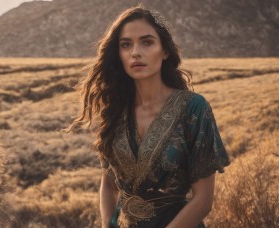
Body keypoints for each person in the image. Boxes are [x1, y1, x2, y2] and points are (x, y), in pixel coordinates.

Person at [69, 5, 230, 228]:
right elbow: (108, 184)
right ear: (119, 54)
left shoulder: (193, 108)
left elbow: (203, 201)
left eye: (147, 42)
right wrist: (108, 225)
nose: (136, 52)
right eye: (126, 45)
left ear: (164, 51)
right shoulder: (115, 109)